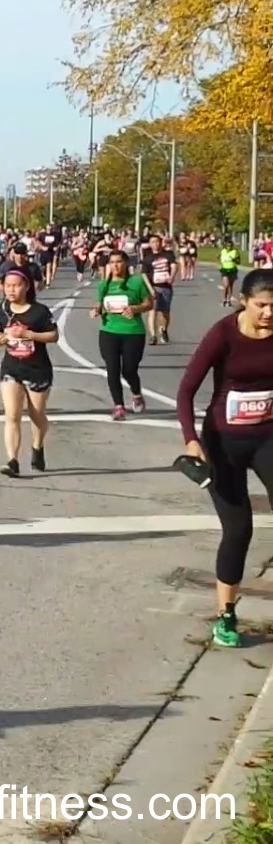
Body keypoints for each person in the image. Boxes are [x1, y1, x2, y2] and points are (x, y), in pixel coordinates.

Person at [176, 268, 273, 648]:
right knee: (239, 530)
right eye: (262, 306)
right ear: (244, 301)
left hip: (268, 438)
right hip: (223, 442)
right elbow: (185, 392)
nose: (269, 313)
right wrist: (190, 441)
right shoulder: (223, 334)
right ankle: (226, 615)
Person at [0, 268, 58, 476]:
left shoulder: (39, 311)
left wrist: (29, 334)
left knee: (37, 415)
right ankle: (12, 460)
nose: (11, 290)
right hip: (11, 367)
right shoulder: (3, 309)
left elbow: (54, 336)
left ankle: (37, 446)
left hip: (37, 369)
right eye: (8, 285)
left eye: (16, 285)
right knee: (12, 415)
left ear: (27, 286)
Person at [92, 249, 151, 419]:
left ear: (126, 263)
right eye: (112, 262)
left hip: (133, 331)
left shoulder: (136, 282)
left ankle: (136, 393)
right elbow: (99, 302)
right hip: (109, 331)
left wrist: (135, 308)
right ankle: (119, 406)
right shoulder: (104, 284)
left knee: (129, 370)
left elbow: (149, 303)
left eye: (118, 262)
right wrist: (96, 309)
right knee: (112, 369)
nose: (115, 266)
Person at [142, 234, 177, 344]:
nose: (155, 244)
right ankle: (153, 336)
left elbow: (174, 266)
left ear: (161, 242)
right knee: (153, 311)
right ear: (150, 244)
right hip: (154, 287)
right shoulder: (148, 258)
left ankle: (164, 329)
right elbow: (144, 274)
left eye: (157, 242)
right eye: (152, 242)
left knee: (165, 312)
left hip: (166, 287)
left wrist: (172, 277)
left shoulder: (168, 254)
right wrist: (150, 288)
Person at [221, 238, 242, 305]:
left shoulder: (235, 252)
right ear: (225, 246)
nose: (229, 247)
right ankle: (224, 298)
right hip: (224, 269)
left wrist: (234, 260)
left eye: (230, 246)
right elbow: (219, 258)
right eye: (227, 246)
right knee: (226, 285)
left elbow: (238, 262)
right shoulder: (223, 251)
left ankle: (228, 300)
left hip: (232, 270)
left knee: (230, 286)